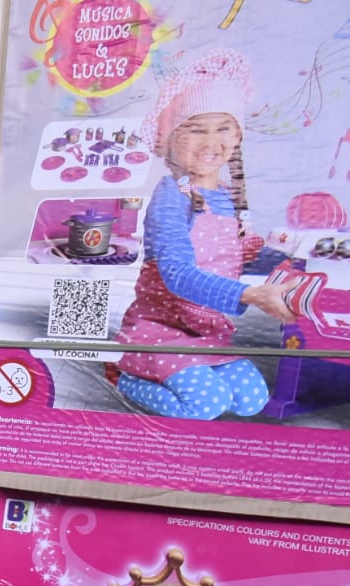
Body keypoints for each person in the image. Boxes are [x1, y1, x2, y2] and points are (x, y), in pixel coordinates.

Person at [110, 48, 294, 420]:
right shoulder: (171, 196)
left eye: (223, 128)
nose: (211, 142)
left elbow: (238, 255)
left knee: (251, 399)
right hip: (159, 330)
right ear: (172, 140)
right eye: (195, 130)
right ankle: (124, 376)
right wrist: (252, 295)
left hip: (208, 331)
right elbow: (177, 274)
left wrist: (281, 250)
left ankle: (179, 373)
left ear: (237, 135)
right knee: (206, 404)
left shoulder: (229, 196)